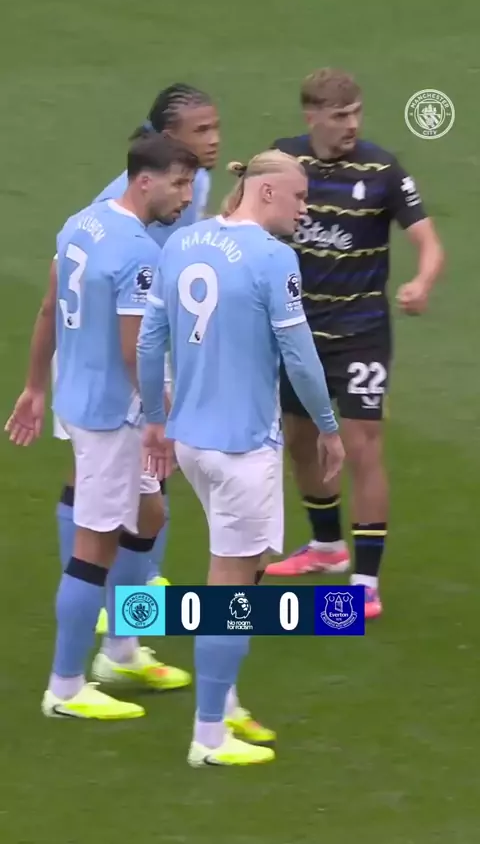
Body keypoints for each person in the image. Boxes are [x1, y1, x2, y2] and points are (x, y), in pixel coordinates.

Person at [137, 149, 345, 766]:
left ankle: (223, 701)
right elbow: (300, 357)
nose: (305, 211)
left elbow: (150, 341)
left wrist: (155, 422)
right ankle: (209, 737)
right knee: (232, 592)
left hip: (192, 441)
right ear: (268, 192)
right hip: (242, 447)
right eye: (300, 198)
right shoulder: (274, 259)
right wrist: (328, 427)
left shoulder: (183, 241)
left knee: (249, 565)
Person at [7, 84, 220, 659]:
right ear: (156, 161)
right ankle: (73, 673)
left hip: (94, 376)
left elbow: (53, 299)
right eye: (201, 130)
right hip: (110, 389)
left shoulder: (99, 216)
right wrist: (160, 411)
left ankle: (126, 628)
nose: (214, 139)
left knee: (149, 510)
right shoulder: (134, 229)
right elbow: (127, 339)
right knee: (97, 532)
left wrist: (35, 386)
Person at [263, 68, 445, 620]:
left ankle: (365, 583)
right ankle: (326, 546)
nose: (352, 125)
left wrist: (422, 282)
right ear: (312, 115)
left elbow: (429, 241)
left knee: (362, 445)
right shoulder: (283, 160)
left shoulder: (383, 170)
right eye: (340, 116)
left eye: (356, 113)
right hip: (297, 331)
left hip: (361, 333)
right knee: (300, 438)